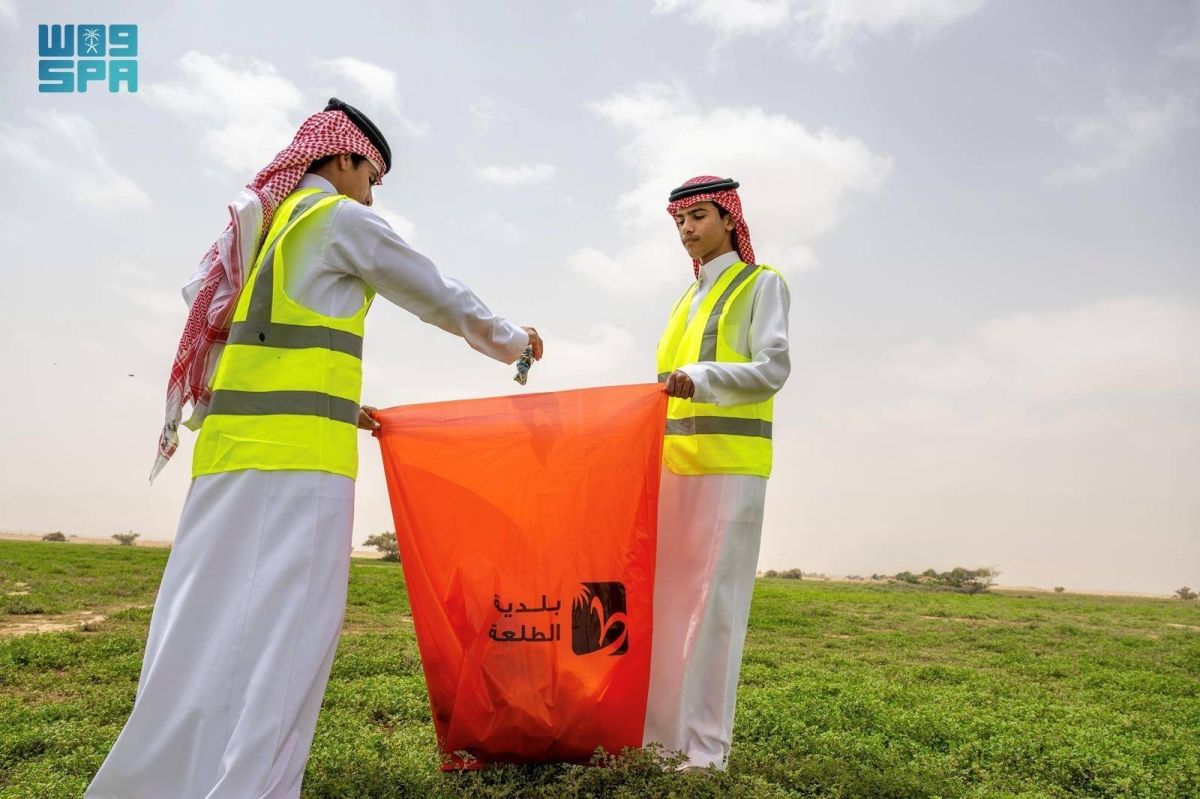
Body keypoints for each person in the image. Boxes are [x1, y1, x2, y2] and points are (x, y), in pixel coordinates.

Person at [86, 98, 543, 799]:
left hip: (230, 458)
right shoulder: (334, 218)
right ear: (342, 156)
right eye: (372, 176)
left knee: (200, 631)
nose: (372, 194)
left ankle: (155, 782)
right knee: (288, 641)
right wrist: (514, 340)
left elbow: (274, 343)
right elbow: (435, 292)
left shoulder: (268, 229)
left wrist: (342, 403)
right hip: (295, 468)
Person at [644, 175, 790, 770]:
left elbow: (772, 368)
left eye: (698, 216)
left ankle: (705, 752)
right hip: (674, 468)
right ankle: (659, 744)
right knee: (667, 608)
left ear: (730, 218)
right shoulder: (685, 298)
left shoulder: (762, 283)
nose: (687, 229)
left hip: (730, 466)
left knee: (716, 612)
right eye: (679, 220)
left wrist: (702, 378)